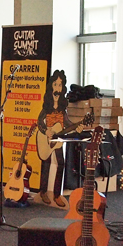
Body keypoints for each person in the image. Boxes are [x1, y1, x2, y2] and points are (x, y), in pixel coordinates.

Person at [36, 70, 83, 209]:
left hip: (58, 140)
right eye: (55, 84)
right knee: (46, 163)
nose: (57, 88)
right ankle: (43, 191)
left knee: (60, 163)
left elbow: (67, 123)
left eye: (60, 85)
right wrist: (46, 131)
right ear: (51, 86)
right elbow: (39, 121)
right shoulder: (47, 106)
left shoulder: (62, 108)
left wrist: (77, 127)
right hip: (46, 138)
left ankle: (57, 194)